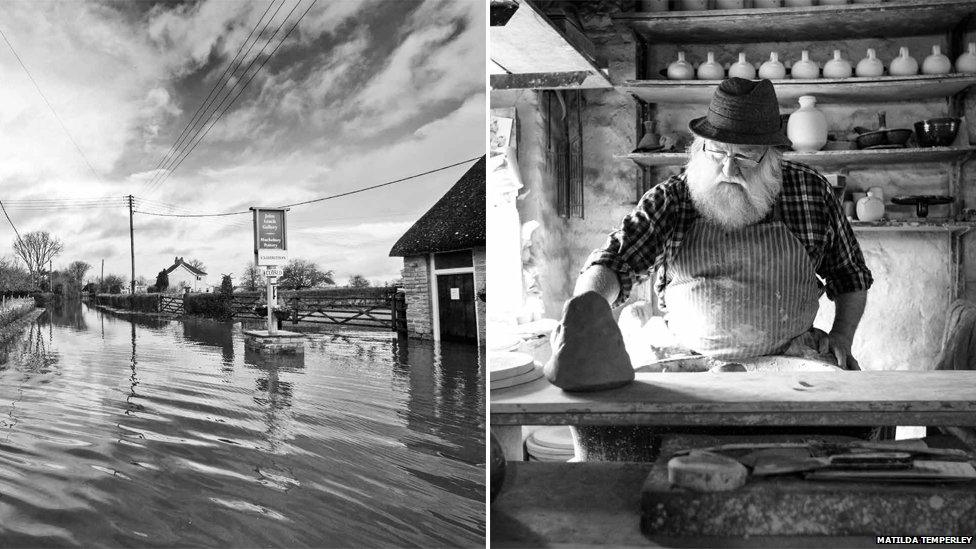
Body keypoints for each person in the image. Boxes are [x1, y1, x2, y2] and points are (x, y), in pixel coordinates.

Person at [559, 78, 876, 460]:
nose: (728, 168)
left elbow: (851, 276)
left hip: (791, 360)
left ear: (771, 154)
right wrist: (586, 310)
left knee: (847, 434)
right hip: (689, 362)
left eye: (744, 156)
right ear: (699, 147)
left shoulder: (810, 192)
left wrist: (842, 336)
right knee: (620, 441)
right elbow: (612, 262)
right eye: (716, 152)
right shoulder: (673, 197)